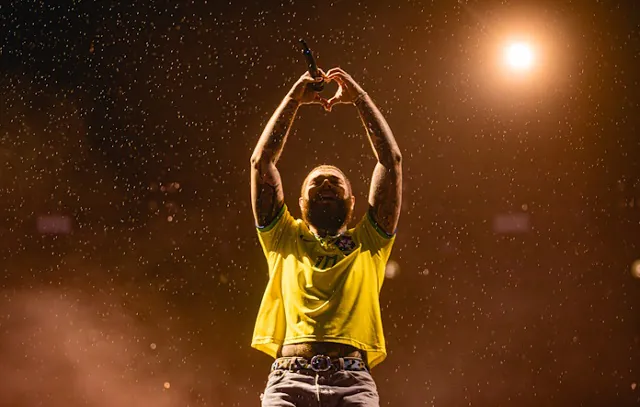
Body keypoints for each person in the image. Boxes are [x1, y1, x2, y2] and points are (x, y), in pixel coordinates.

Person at [250, 67, 402, 406]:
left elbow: (390, 162)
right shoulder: (283, 238)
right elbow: (262, 162)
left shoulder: (369, 242)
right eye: (315, 183)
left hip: (353, 381)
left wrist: (360, 100)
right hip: (288, 379)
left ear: (352, 202)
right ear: (301, 203)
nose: (326, 184)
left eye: (336, 182)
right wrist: (292, 100)